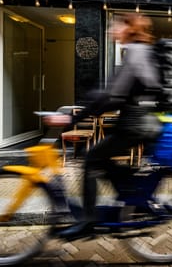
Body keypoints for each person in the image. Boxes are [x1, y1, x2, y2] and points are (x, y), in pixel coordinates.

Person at [44, 13, 163, 239]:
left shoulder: (136, 53)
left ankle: (88, 222)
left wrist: (72, 119)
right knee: (104, 161)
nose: (112, 30)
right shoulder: (140, 51)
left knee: (90, 158)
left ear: (129, 28)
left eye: (116, 25)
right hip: (142, 124)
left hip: (134, 126)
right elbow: (113, 93)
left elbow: (113, 96)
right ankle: (131, 199)